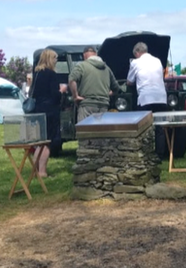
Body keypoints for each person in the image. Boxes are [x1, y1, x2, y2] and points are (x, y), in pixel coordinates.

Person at [32, 48, 63, 178]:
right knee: (47, 143)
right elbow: (55, 95)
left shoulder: (37, 74)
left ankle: (34, 172)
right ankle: (43, 172)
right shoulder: (51, 74)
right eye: (55, 58)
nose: (56, 61)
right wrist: (62, 90)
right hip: (49, 111)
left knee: (39, 143)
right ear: (50, 59)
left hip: (37, 110)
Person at [68, 46, 120, 122]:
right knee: (100, 132)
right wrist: (107, 94)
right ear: (96, 54)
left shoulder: (81, 66)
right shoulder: (107, 68)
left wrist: (75, 96)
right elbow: (116, 88)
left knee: (85, 131)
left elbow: (72, 80)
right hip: (103, 106)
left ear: (84, 55)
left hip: (87, 105)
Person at [126, 42, 168, 112]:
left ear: (137, 53)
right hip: (162, 99)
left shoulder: (135, 62)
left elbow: (129, 82)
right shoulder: (158, 60)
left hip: (146, 99)